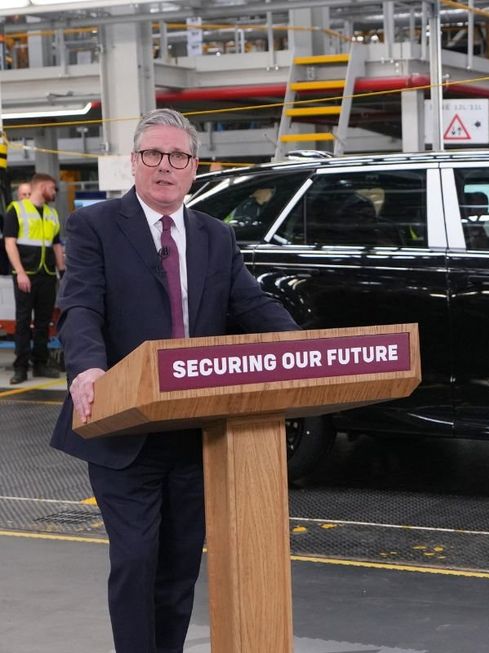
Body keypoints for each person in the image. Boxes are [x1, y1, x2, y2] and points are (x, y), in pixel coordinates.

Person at [50, 108, 298, 653]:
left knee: (180, 568)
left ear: (194, 167)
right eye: (153, 155)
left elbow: (251, 304)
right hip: (124, 427)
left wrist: (302, 350)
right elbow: (81, 306)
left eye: (178, 156)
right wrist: (88, 367)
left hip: (193, 431)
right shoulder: (93, 226)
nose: (166, 166)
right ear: (135, 163)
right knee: (137, 560)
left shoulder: (215, 236)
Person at [2, 173, 65, 384]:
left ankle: (40, 363)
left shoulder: (51, 213)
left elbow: (56, 245)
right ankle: (20, 367)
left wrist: (63, 272)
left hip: (46, 274)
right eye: (53, 189)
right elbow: (9, 243)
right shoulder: (16, 210)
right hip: (25, 275)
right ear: (43, 186)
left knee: (42, 322)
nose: (54, 193)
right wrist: (19, 271)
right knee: (22, 321)